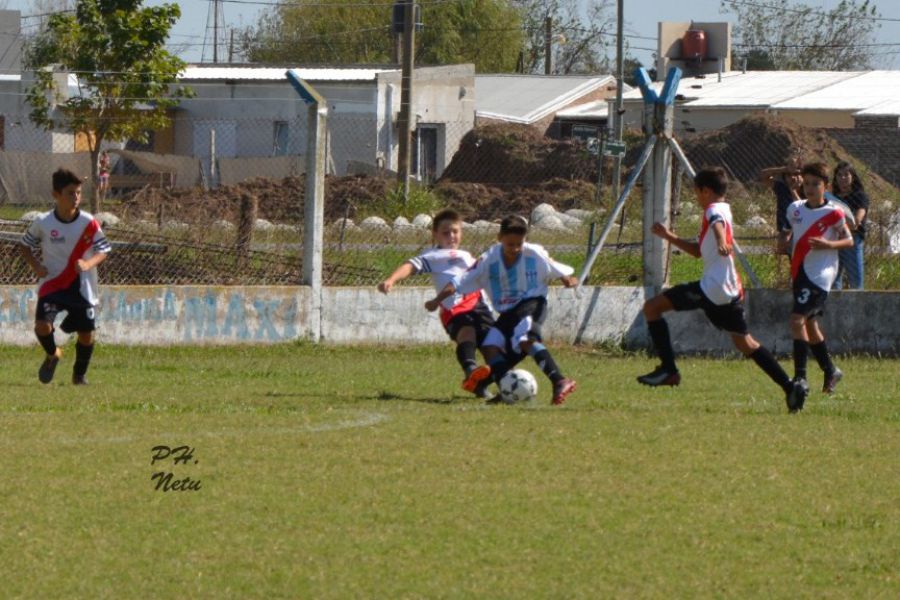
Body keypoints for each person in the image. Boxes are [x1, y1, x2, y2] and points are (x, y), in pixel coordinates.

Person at [637, 167, 803, 411]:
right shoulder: (724, 207)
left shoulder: (713, 211)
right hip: (728, 290)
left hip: (712, 290)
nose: (696, 196)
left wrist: (721, 240)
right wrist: (668, 235)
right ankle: (790, 387)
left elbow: (717, 226)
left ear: (705, 191)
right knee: (745, 343)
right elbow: (696, 252)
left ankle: (669, 370)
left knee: (652, 308)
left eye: (696, 192)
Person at [425, 215, 578, 406]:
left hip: (532, 303)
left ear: (525, 240)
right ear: (499, 239)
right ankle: (507, 386)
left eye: (519, 244)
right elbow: (459, 281)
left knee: (526, 339)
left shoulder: (534, 252)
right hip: (509, 312)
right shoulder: (489, 259)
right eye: (510, 244)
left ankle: (559, 381)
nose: (514, 249)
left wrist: (566, 279)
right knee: (490, 345)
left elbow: (554, 267)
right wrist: (437, 300)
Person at [378, 208, 494, 397]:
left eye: (455, 231)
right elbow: (409, 266)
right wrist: (391, 280)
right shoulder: (432, 256)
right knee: (467, 332)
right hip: (454, 308)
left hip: (479, 305)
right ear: (435, 234)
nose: (451, 236)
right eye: (446, 232)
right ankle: (471, 370)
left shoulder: (466, 255)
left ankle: (485, 385)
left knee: (494, 351)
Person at [19, 168, 112, 385]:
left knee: (87, 335)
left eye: (79, 192)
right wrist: (36, 266)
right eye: (71, 193)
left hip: (81, 287)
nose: (76, 197)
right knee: (42, 326)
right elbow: (25, 246)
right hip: (52, 284)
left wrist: (88, 263)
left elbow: (104, 249)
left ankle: (79, 376)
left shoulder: (89, 222)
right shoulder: (44, 222)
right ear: (56, 195)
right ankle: (53, 354)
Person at [778, 162, 854, 406]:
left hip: (821, 276)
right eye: (807, 184)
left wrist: (829, 245)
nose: (810, 188)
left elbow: (849, 240)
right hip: (800, 272)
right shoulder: (795, 208)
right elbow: (789, 230)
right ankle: (831, 370)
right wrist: (784, 239)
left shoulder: (833, 213)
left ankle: (800, 378)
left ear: (826, 187)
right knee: (810, 325)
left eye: (815, 184)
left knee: (796, 320)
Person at [830, 161, 868, 290]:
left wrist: (848, 221)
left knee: (855, 283)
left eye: (846, 175)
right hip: (834, 240)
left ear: (853, 176)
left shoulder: (859, 196)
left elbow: (856, 221)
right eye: (839, 175)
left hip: (852, 239)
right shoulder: (832, 198)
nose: (843, 178)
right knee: (833, 281)